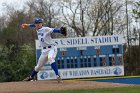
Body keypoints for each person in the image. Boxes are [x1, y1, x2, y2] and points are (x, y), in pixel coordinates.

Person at [21, 18, 66, 83]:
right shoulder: (37, 28)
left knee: (50, 58)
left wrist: (60, 31)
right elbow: (33, 25)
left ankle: (58, 76)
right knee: (38, 67)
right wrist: (27, 25)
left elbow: (54, 30)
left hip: (52, 48)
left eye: (39, 23)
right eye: (37, 23)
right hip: (44, 51)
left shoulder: (45, 29)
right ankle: (30, 77)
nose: (38, 24)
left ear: (42, 23)